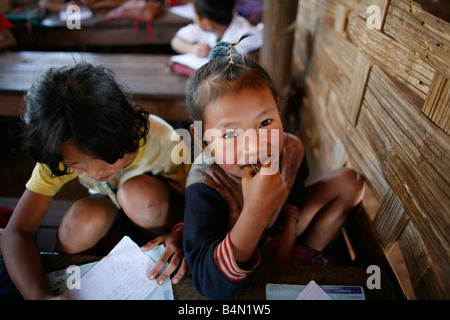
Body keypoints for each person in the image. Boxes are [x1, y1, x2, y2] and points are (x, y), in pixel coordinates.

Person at [183, 41, 365, 299]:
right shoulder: (205, 185)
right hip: (233, 255)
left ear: (278, 108)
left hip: (278, 231)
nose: (256, 145)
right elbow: (207, 284)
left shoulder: (292, 149)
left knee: (350, 182)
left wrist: (289, 229)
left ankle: (296, 257)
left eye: (265, 122)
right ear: (203, 141)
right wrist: (256, 211)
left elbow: (297, 188)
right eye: (231, 133)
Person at [0, 62, 190, 299]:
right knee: (83, 219)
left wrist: (184, 233)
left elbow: (202, 201)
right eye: (75, 165)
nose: (93, 172)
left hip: (163, 230)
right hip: (114, 227)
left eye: (102, 158)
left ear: (130, 129)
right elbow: (16, 232)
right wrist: (39, 296)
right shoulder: (60, 146)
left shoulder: (166, 143)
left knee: (138, 195)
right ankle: (76, 269)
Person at [171, 0, 263, 59]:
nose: (194, 19)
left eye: (195, 16)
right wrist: (192, 49)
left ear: (207, 23)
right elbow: (175, 41)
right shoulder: (205, 30)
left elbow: (260, 36)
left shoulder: (245, 37)